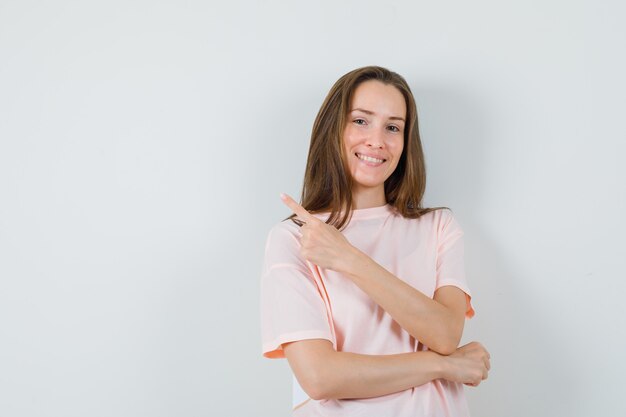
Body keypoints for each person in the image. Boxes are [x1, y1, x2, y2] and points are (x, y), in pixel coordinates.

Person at [260, 66, 490, 417]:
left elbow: (445, 334)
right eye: (361, 121)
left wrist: (348, 259)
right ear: (333, 129)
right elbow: (320, 377)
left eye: (393, 127)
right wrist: (444, 366)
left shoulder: (438, 227)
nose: (377, 140)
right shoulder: (294, 238)